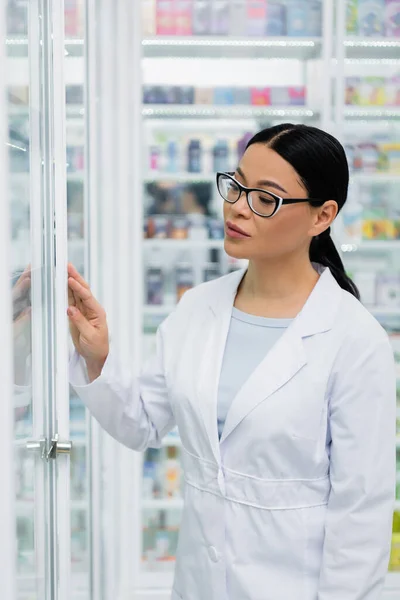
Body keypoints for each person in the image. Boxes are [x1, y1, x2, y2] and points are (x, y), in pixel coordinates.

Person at [67, 124, 396, 600]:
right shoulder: (197, 307)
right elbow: (143, 423)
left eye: (266, 197)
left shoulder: (354, 339)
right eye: (237, 185)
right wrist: (97, 358)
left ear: (322, 216)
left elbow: (361, 511)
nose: (238, 206)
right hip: (200, 582)